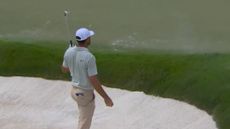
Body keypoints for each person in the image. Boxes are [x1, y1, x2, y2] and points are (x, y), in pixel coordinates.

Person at [61, 27, 113, 129]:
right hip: (84, 94)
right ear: (87, 40)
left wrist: (67, 54)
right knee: (84, 124)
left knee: (83, 119)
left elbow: (64, 69)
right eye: (89, 37)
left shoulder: (69, 52)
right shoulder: (89, 57)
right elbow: (93, 80)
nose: (90, 38)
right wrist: (106, 98)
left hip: (74, 92)